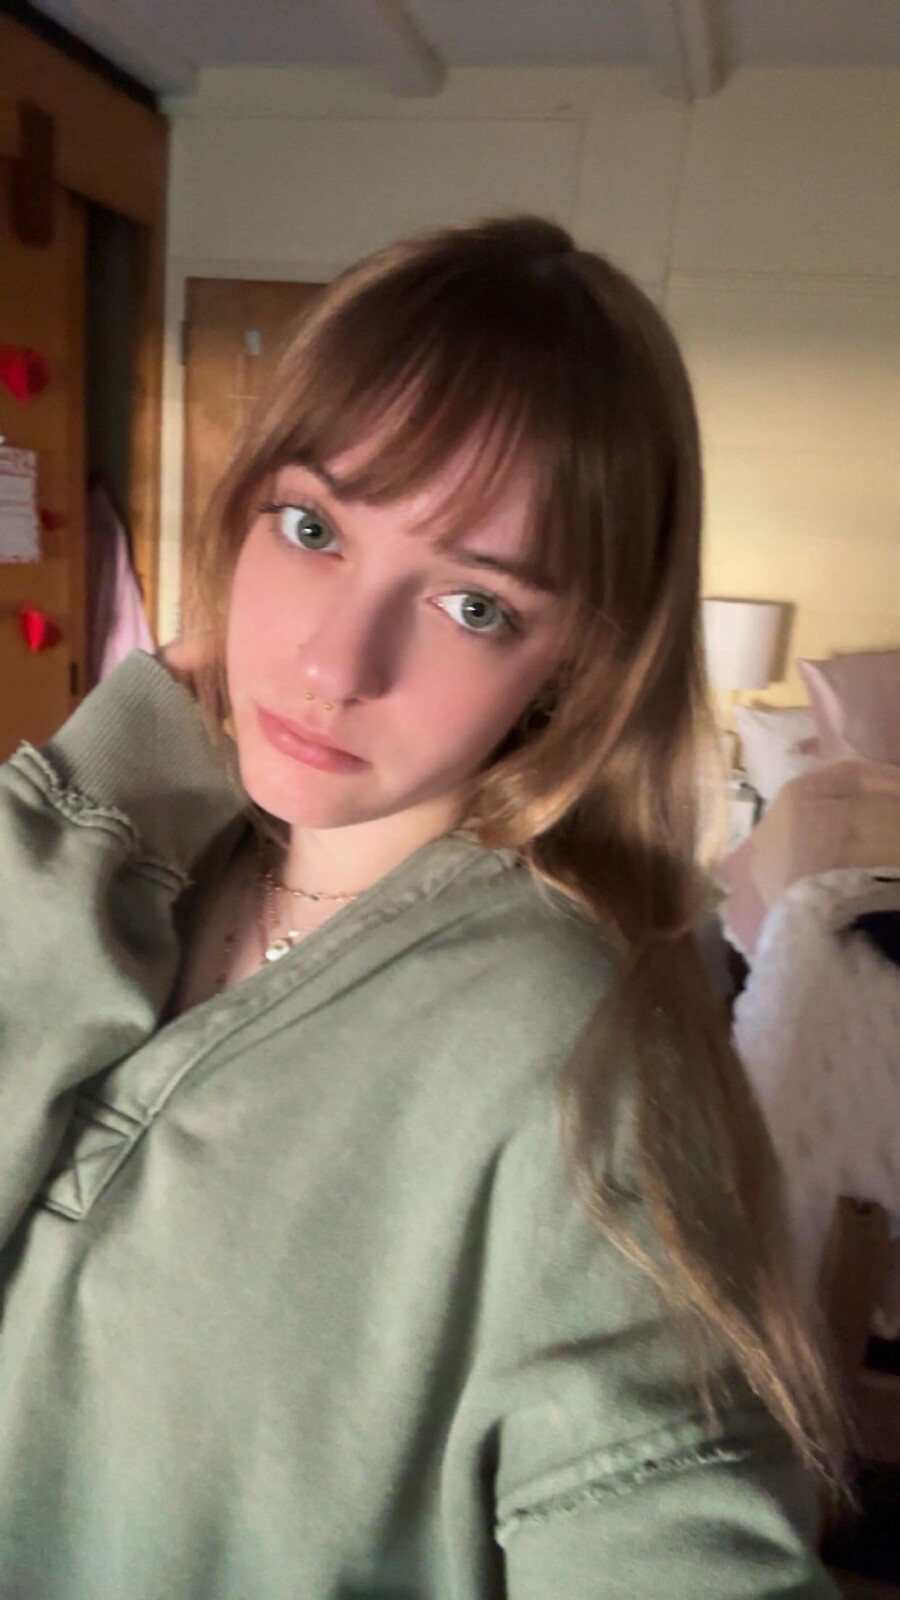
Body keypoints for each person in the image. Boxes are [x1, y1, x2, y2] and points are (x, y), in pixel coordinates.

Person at [0, 215, 842, 1598]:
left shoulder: (583, 1054)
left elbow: (664, 1511)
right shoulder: (147, 853)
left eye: (474, 606)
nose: (334, 664)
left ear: (578, 666)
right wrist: (95, 793)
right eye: (313, 528)